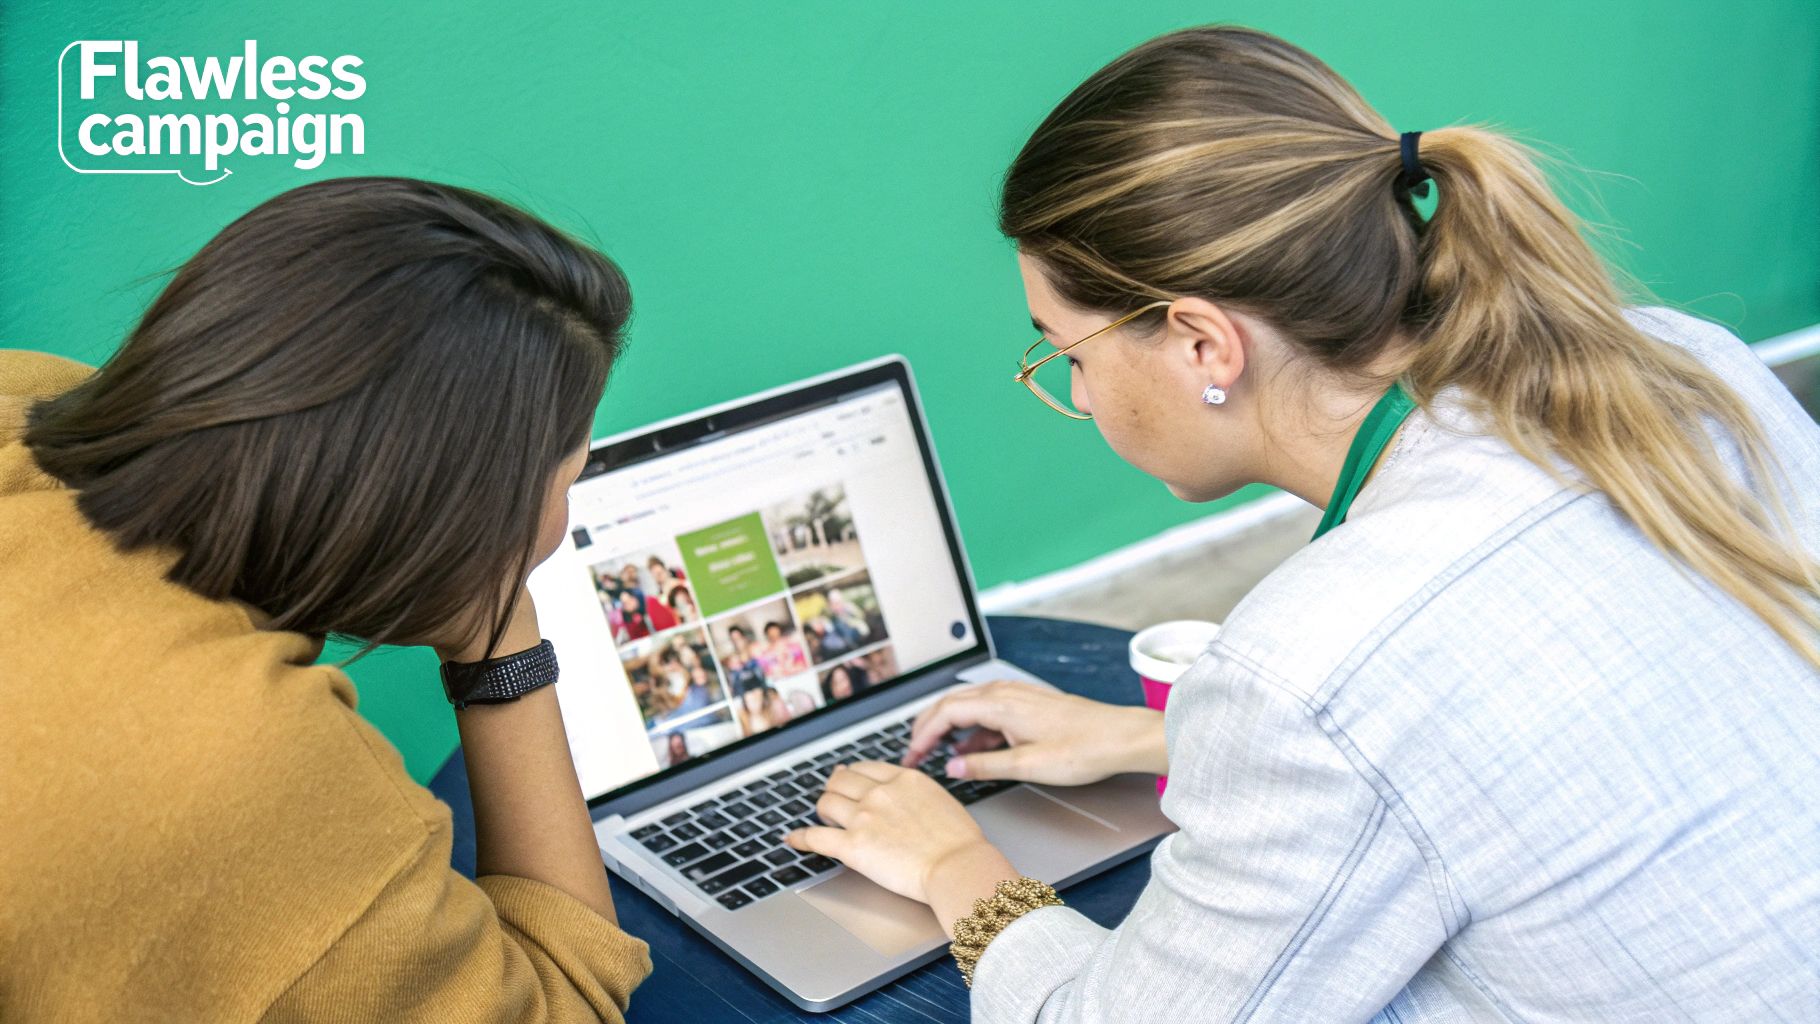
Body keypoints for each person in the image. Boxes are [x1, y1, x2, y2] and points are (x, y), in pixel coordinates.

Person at [785, 26, 1820, 1023]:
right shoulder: (1688, 368)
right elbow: (1542, 736)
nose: (1083, 396)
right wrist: (1161, 738)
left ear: (1201, 346)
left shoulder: (1310, 663)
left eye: (1067, 352)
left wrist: (952, 862)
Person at [2, 178, 652, 1020]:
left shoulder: (24, 388)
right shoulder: (261, 761)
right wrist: (501, 629)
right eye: (574, 473)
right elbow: (569, 999)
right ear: (451, 515)